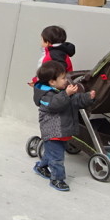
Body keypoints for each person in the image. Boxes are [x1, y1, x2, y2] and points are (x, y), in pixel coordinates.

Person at [32, 60, 96, 192]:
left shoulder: (62, 91)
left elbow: (76, 100)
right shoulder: (45, 95)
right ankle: (57, 179)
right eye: (63, 78)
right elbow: (55, 105)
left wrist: (88, 97)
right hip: (53, 131)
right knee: (57, 158)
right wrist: (66, 94)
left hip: (62, 130)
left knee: (51, 154)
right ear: (52, 82)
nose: (66, 80)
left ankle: (41, 167)